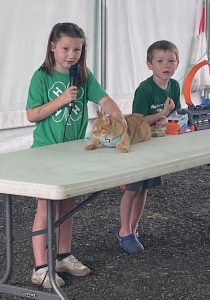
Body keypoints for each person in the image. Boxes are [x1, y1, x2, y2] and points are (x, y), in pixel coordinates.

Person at [26, 22, 126, 289]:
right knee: (46, 209)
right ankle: (40, 267)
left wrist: (119, 117)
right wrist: (62, 100)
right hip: (45, 154)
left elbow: (103, 99)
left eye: (77, 50)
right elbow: (32, 114)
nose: (71, 55)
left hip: (72, 153)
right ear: (52, 47)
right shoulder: (42, 77)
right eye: (66, 48)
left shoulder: (83, 76)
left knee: (68, 205)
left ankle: (63, 256)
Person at [118, 40, 181, 253]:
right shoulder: (144, 90)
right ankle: (124, 231)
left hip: (156, 145)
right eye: (160, 61)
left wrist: (169, 119)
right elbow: (136, 120)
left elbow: (177, 114)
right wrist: (161, 114)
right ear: (149, 64)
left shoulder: (174, 86)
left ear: (177, 63)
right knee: (133, 188)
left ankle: (133, 228)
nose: (166, 65)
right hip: (138, 144)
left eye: (171, 61)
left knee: (144, 188)